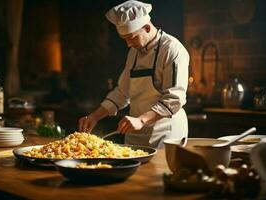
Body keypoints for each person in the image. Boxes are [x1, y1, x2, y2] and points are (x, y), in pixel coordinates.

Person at [78, 0, 189, 148]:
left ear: (147, 28)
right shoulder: (134, 52)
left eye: (132, 37)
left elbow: (174, 99)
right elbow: (122, 93)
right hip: (135, 133)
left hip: (165, 133)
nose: (129, 44)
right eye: (125, 39)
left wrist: (141, 120)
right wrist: (94, 116)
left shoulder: (172, 49)